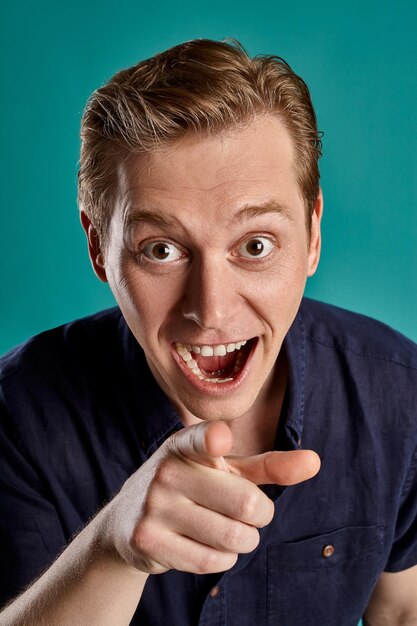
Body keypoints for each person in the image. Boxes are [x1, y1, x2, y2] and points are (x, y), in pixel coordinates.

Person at [0, 38, 416, 626]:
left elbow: (402, 611)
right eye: (162, 250)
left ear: (314, 235)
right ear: (99, 248)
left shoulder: (401, 395)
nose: (211, 310)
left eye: (255, 245)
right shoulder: (17, 415)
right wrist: (112, 550)